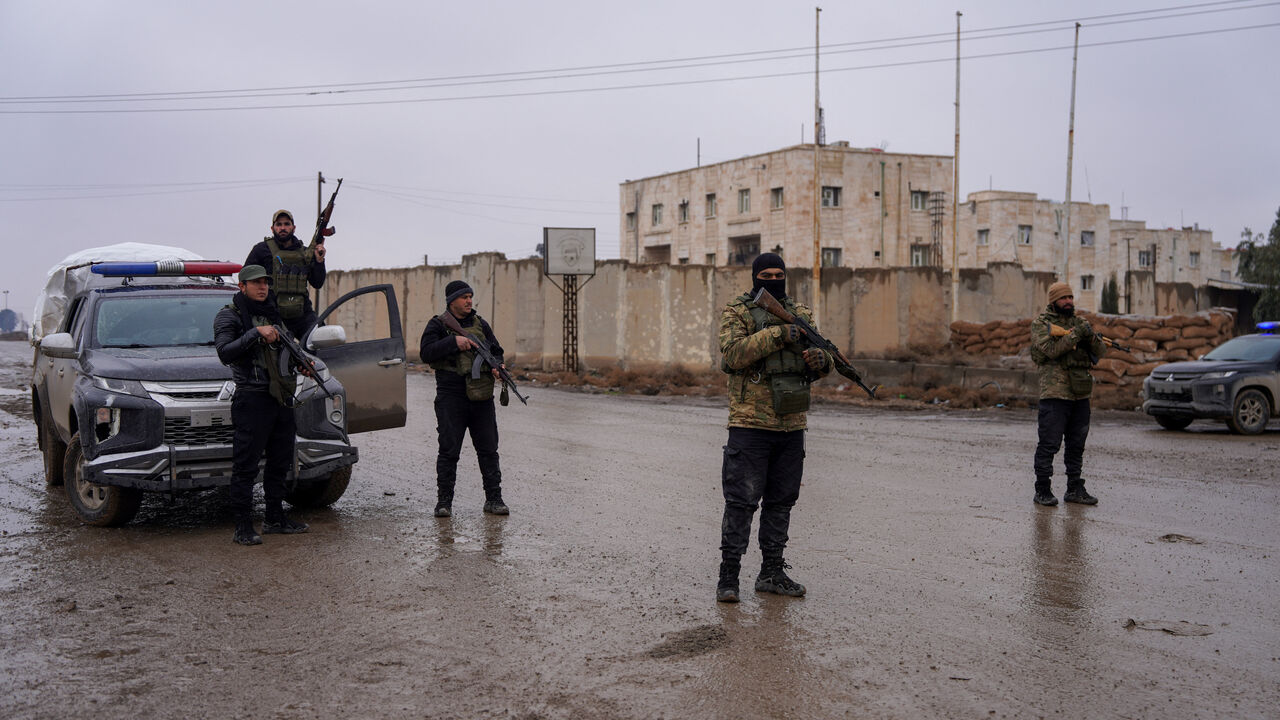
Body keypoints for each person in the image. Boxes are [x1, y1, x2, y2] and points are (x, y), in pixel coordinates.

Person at [715, 253, 832, 603]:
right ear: (754, 277)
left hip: (792, 423)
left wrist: (820, 360)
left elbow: (822, 356)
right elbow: (733, 355)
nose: (773, 279)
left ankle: (772, 573)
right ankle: (729, 577)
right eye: (765, 274)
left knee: (781, 502)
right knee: (741, 502)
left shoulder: (801, 314)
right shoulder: (737, 312)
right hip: (750, 423)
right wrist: (780, 334)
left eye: (779, 274)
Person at [214, 265, 311, 545]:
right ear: (242, 287)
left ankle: (274, 518)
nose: (262, 287)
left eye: (265, 283)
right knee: (246, 465)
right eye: (255, 283)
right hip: (252, 397)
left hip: (279, 397)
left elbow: (286, 351)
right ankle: (243, 527)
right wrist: (256, 333)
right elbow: (224, 353)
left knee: (280, 461)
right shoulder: (229, 315)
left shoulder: (273, 315)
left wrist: (302, 364)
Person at [419, 280, 510, 518]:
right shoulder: (438, 324)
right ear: (452, 301)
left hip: (480, 395)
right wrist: (453, 342)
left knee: (489, 449)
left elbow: (496, 349)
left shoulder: (481, 324)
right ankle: (444, 503)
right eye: (464, 297)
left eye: (471, 296)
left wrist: (497, 365)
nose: (469, 301)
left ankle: (494, 499)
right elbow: (425, 353)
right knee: (449, 450)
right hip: (451, 395)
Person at [1029, 282, 1106, 507]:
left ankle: (1074, 488)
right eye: (1063, 298)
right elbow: (1051, 350)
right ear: (1053, 301)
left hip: (1080, 393)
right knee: (1049, 444)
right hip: (1055, 394)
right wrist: (1074, 337)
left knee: (1076, 444)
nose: (1068, 302)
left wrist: (1089, 336)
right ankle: (1042, 489)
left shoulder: (1079, 322)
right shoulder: (1042, 324)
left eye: (1071, 297)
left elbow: (1100, 351)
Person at [244, 209, 327, 341]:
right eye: (279, 224)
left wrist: (319, 260)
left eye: (287, 224)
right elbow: (246, 279)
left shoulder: (305, 252)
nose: (283, 228)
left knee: (323, 340)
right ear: (272, 228)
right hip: (272, 315)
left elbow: (317, 283)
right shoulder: (261, 250)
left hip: (302, 315)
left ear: (293, 228)